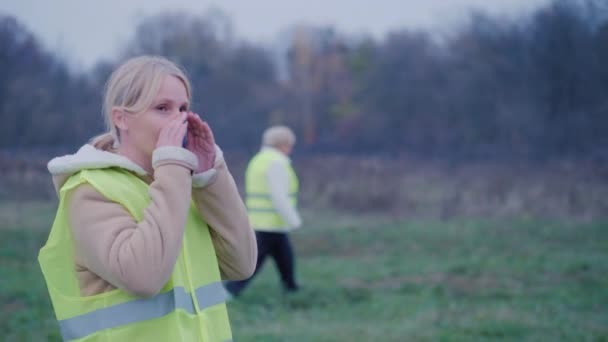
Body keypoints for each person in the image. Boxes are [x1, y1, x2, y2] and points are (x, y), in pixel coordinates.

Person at [38, 55, 257, 342]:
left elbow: (241, 264)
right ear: (121, 118)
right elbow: (143, 278)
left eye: (183, 108)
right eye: (162, 108)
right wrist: (174, 169)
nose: (179, 119)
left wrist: (209, 177)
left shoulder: (181, 185)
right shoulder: (90, 189)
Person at [225, 126, 302, 297]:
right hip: (270, 222)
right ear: (283, 144)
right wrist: (294, 220)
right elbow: (279, 196)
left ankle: (291, 287)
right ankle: (231, 290)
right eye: (290, 144)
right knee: (256, 260)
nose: (291, 148)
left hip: (264, 221)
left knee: (284, 255)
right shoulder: (277, 163)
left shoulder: (258, 160)